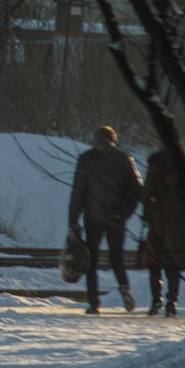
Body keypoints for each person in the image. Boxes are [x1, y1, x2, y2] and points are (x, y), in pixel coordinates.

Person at [67, 125, 142, 313]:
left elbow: (78, 192)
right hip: (116, 217)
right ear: (113, 139)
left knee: (90, 259)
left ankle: (94, 303)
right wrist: (125, 212)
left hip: (93, 217)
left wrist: (73, 219)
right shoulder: (124, 158)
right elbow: (137, 190)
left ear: (96, 138)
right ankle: (124, 288)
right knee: (116, 258)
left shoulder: (86, 159)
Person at [140, 139, 185, 319]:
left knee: (154, 263)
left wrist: (148, 212)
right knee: (173, 266)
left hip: (158, 220)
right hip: (180, 223)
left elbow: (146, 192)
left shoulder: (156, 164)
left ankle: (155, 299)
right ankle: (171, 303)